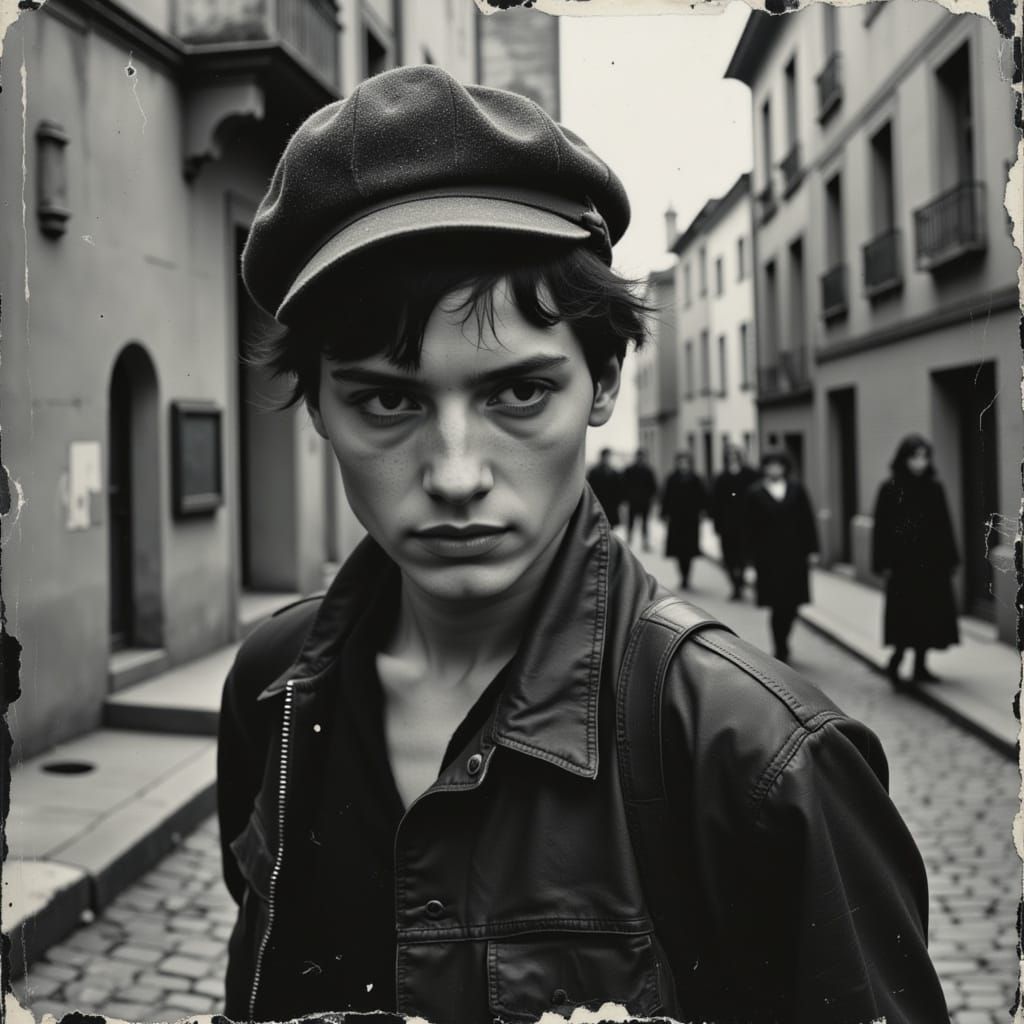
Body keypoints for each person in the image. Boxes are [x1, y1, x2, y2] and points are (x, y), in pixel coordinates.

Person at [218, 65, 947, 1024]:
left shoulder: (758, 759)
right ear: (316, 404)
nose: (456, 472)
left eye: (517, 392)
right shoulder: (275, 685)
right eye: (387, 400)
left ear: (602, 381)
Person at [872, 435, 960, 686]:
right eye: (915, 457)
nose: (920, 463)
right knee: (904, 616)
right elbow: (881, 529)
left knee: (929, 615)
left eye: (924, 457)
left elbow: (945, 526)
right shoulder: (890, 488)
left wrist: (950, 558)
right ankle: (896, 661)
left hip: (931, 565)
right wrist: (883, 563)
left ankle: (921, 666)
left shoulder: (934, 488)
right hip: (903, 567)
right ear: (904, 458)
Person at [744, 451, 820, 663]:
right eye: (770, 465)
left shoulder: (796, 489)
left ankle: (784, 638)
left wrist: (813, 550)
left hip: (794, 556)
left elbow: (807, 521)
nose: (774, 469)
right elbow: (749, 528)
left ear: (785, 468)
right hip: (768, 559)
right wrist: (749, 561)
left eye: (778, 465)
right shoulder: (755, 493)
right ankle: (780, 645)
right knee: (777, 604)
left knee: (793, 604)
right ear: (765, 468)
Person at [710, 445, 759, 600]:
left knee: (744, 555)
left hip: (747, 524)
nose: (733, 458)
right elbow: (715, 503)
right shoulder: (721, 478)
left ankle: (741, 580)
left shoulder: (750, 475)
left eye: (735, 455)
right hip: (727, 524)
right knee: (729, 556)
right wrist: (716, 524)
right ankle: (735, 584)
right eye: (730, 456)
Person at [660, 451, 706, 590]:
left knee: (689, 550)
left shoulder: (695, 479)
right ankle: (683, 576)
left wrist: (702, 512)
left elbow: (702, 497)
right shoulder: (672, 479)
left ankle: (687, 576)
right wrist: (664, 513)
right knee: (678, 550)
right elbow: (666, 497)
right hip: (676, 519)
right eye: (681, 462)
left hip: (691, 519)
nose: (683, 465)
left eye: (686, 462)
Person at [622, 448, 658, 550]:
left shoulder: (648, 470)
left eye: (642, 457)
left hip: (644, 501)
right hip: (633, 501)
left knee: (645, 522)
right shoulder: (630, 470)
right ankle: (629, 540)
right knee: (631, 521)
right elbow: (624, 485)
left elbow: (653, 486)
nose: (641, 458)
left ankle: (645, 542)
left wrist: (652, 498)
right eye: (639, 456)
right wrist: (625, 498)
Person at [586, 447, 623, 527]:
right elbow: (590, 488)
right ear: (602, 457)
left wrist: (618, 500)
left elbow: (618, 488)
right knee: (600, 525)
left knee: (610, 524)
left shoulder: (614, 472)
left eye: (608, 457)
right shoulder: (594, 472)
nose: (607, 459)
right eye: (606, 456)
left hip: (611, 503)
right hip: (600, 502)